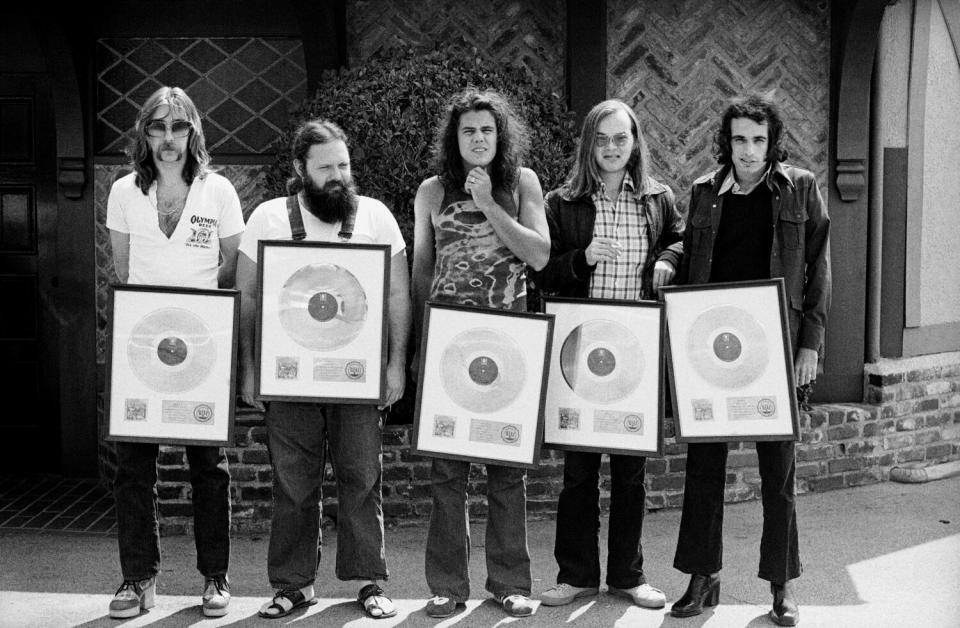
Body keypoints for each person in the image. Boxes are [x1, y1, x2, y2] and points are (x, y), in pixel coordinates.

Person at [236, 119, 410, 620]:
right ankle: (293, 584)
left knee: (361, 475)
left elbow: (398, 293)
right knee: (293, 481)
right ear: (300, 169)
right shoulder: (268, 217)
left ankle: (370, 581)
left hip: (357, 377)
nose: (339, 175)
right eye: (326, 166)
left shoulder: (376, 217)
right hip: (288, 377)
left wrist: (396, 365)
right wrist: (249, 369)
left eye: (344, 164)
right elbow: (247, 297)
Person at [670, 94, 831, 626]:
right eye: (739, 139)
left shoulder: (800, 188)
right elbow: (685, 249)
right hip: (711, 349)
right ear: (727, 141)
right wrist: (670, 262)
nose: (748, 150)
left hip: (774, 348)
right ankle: (702, 577)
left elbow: (818, 270)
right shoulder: (703, 193)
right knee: (704, 469)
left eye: (758, 140)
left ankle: (781, 586)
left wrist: (810, 344)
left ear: (772, 142)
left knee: (777, 473)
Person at [533, 99, 684, 609]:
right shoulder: (564, 203)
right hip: (579, 353)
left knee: (630, 474)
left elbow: (680, 240)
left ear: (635, 142)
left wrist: (665, 260)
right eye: (603, 139)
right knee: (578, 472)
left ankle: (627, 575)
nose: (612, 148)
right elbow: (542, 270)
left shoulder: (657, 199)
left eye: (622, 138)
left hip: (634, 354)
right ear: (589, 144)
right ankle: (575, 575)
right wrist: (582, 259)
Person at [411, 89, 550, 619]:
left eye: (487, 130)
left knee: (506, 470)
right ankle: (447, 586)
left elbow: (538, 255)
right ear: (456, 137)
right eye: (468, 131)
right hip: (449, 345)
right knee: (447, 472)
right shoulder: (431, 191)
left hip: (507, 344)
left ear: (501, 135)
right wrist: (420, 345)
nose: (478, 139)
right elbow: (423, 270)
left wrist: (490, 202)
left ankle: (510, 583)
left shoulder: (522, 183)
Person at [106, 86, 244, 618]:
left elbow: (230, 268)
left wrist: (198, 315)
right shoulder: (122, 192)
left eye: (178, 127)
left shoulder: (219, 192)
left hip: (202, 342)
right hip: (142, 342)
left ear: (193, 132)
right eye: (157, 127)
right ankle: (137, 580)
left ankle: (215, 578)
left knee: (208, 466)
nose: (168, 139)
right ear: (144, 133)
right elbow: (124, 270)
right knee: (134, 468)